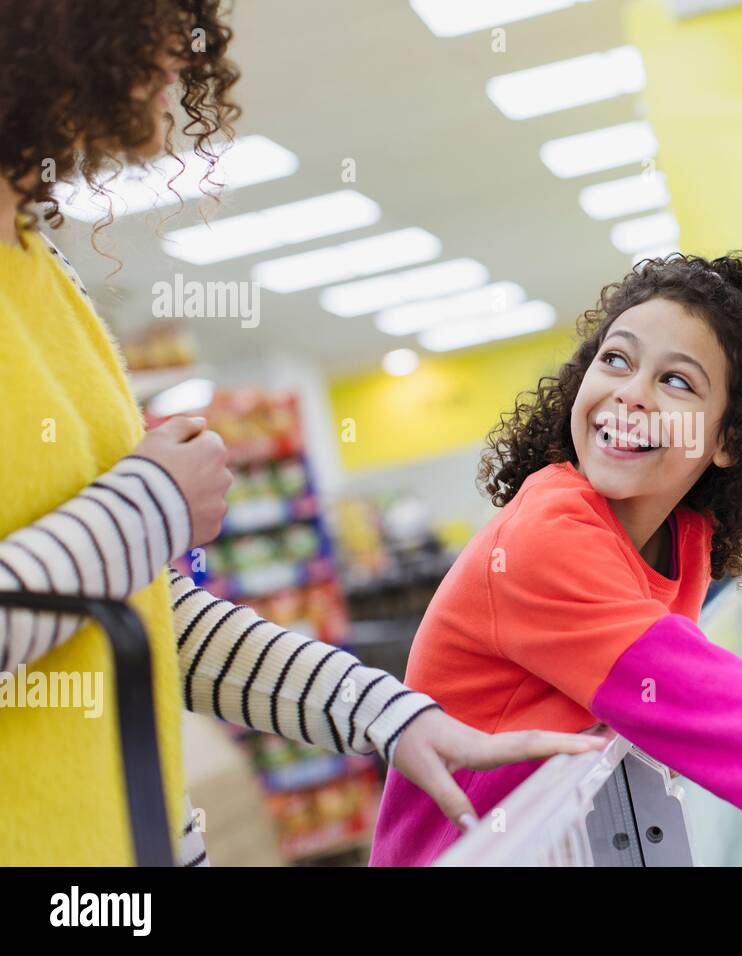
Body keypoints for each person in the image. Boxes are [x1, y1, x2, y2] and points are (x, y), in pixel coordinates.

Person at [0, 0, 601, 867]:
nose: (187, 46)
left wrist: (392, 715)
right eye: (167, 14)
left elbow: (134, 614)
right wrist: (151, 504)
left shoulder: (43, 274)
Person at [369, 253, 742, 864]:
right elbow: (701, 702)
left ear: (727, 439)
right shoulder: (543, 537)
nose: (631, 395)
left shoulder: (682, 537)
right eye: (616, 359)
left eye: (677, 381)